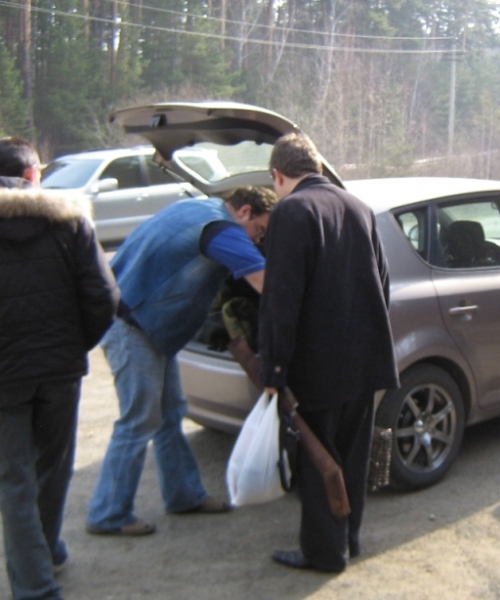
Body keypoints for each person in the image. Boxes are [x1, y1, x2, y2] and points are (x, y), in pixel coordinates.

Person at [86, 185, 278, 536]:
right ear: (245, 211)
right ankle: (107, 514)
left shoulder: (198, 208)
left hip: (143, 324)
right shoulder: (221, 228)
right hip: (134, 327)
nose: (257, 240)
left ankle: (183, 496)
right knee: (139, 420)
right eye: (260, 231)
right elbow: (264, 280)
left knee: (170, 412)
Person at [258, 133, 398, 573]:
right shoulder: (358, 206)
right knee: (351, 457)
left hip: (316, 366)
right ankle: (348, 538)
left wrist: (273, 368)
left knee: (318, 460)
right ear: (317, 166)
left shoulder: (291, 211)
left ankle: (323, 553)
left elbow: (281, 301)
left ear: (278, 176)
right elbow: (385, 282)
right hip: (365, 360)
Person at [0, 137, 118, 599]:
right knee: (53, 465)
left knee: (14, 476)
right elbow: (104, 298)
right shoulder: (71, 222)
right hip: (60, 370)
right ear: (32, 176)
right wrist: (73, 348)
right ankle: (46, 552)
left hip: (4, 377)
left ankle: (35, 583)